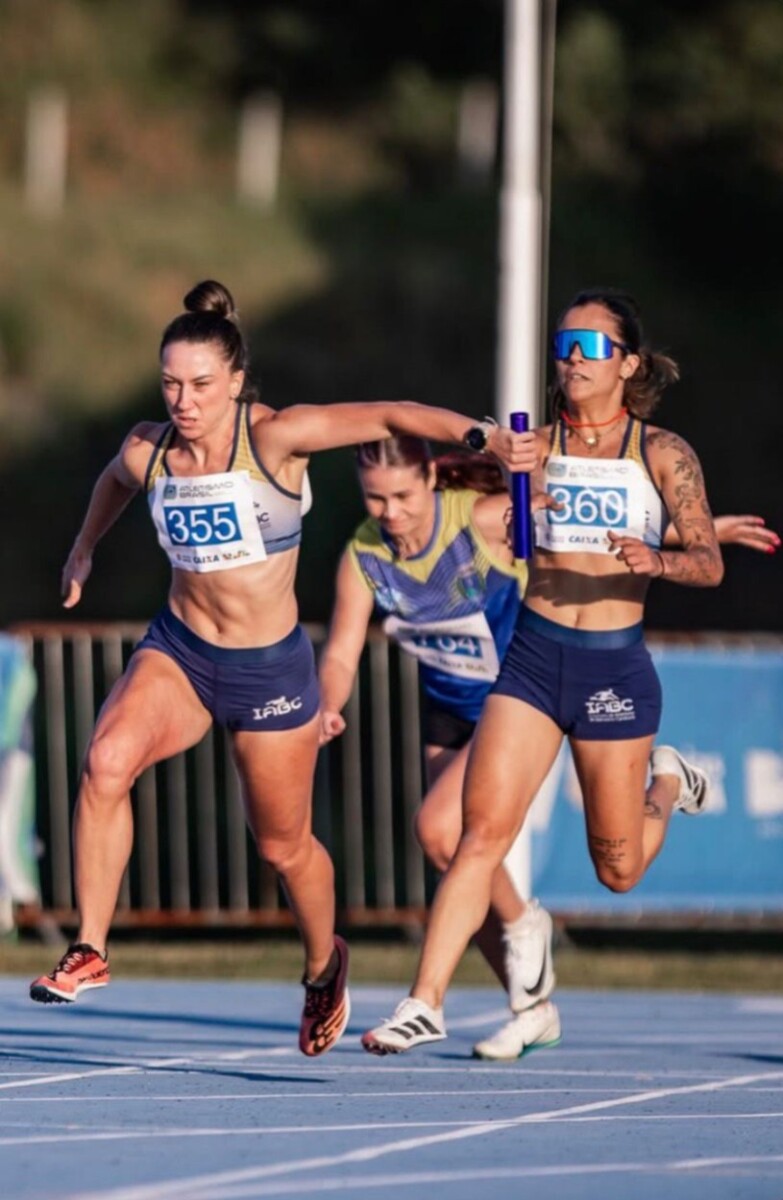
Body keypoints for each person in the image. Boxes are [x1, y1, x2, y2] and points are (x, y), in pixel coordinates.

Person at [27, 279, 536, 1059]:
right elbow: (114, 480)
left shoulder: (275, 440)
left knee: (282, 847)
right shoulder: (149, 449)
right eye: (170, 384)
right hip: (180, 652)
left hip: (267, 672)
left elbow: (390, 415)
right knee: (105, 763)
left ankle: (323, 965)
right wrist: (83, 548)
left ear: (235, 381)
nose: (184, 401)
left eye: (201, 385)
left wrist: (481, 437)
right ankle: (90, 947)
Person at [360, 286, 741, 1054]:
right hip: (533, 661)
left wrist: (658, 560)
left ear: (627, 363)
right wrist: (504, 506)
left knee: (617, 870)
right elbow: (463, 495)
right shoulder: (529, 447)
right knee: (479, 835)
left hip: (611, 669)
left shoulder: (661, 452)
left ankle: (667, 782)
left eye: (591, 346)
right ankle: (423, 1002)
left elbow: (707, 561)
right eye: (563, 344)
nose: (573, 357)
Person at [322, 432, 777, 1059]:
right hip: (449, 712)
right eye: (376, 500)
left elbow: (590, 533)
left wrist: (700, 534)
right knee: (453, 850)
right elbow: (340, 653)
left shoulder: (481, 518)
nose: (391, 514)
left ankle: (529, 919)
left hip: (517, 692)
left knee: (447, 831)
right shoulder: (365, 554)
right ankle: (529, 1004)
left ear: (430, 480)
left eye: (402, 497)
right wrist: (327, 707)